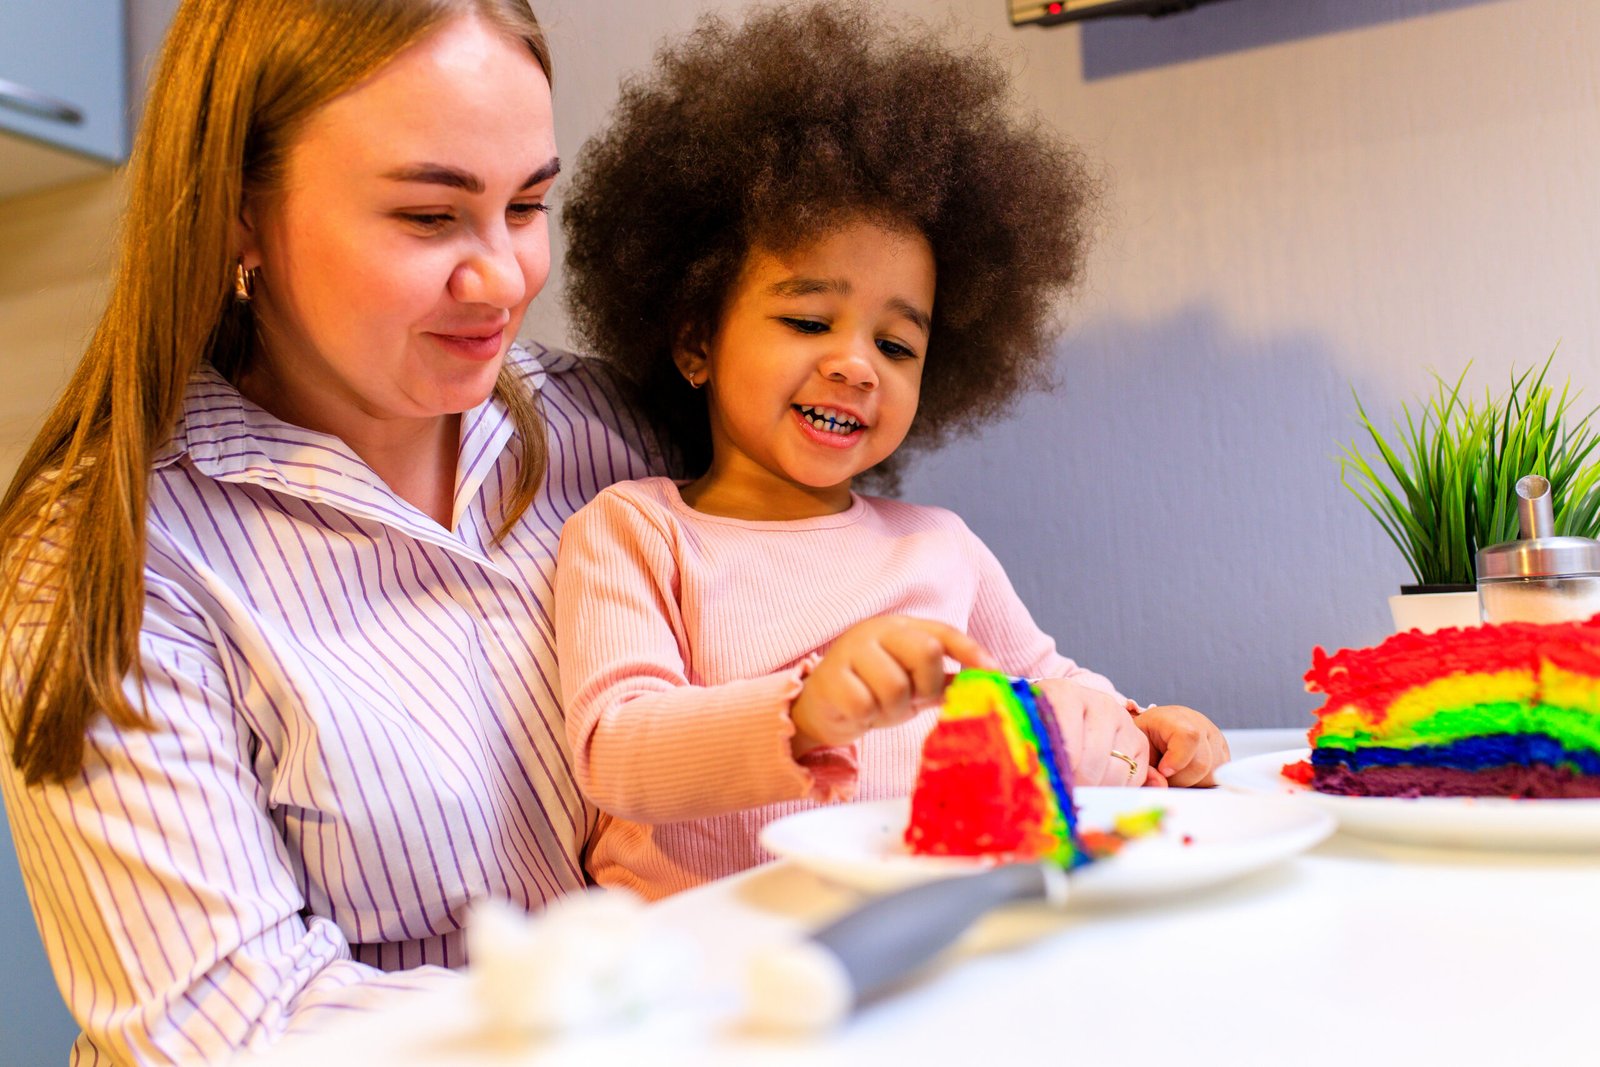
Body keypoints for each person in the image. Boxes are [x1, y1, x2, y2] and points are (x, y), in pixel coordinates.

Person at [0, 1, 653, 1062]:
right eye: (429, 217)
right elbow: (227, 1027)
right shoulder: (108, 558)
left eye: (527, 204)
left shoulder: (606, 431)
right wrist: (657, 1014)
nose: (503, 279)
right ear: (238, 216)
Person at [554, 2, 1230, 903]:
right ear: (694, 340)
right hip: (716, 950)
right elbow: (616, 750)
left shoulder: (939, 545)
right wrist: (803, 712)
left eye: (897, 345)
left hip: (931, 921)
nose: (854, 365)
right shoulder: (635, 530)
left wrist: (1148, 730)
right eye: (806, 320)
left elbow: (1048, 689)